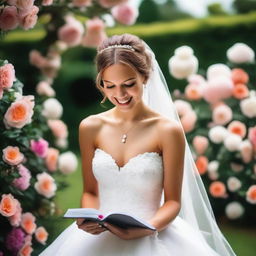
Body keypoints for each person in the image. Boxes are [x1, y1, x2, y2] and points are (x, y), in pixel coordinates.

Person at [40, 33, 236, 255]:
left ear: (145, 76)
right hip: (99, 239)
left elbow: (172, 202)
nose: (120, 94)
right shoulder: (90, 127)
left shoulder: (168, 130)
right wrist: (90, 217)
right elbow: (91, 191)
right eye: (109, 86)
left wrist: (147, 229)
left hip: (153, 233)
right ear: (101, 83)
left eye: (129, 84)